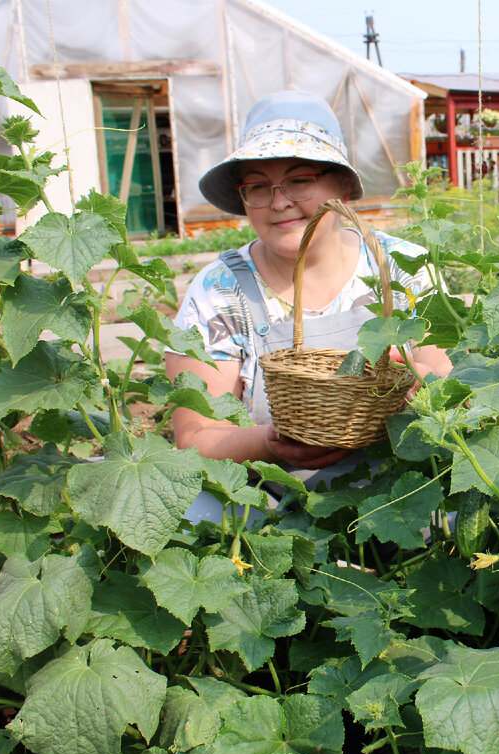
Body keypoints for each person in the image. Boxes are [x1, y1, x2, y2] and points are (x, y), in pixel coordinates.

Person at [165, 91, 451, 477]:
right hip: (268, 499)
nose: (279, 202)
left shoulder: (403, 268)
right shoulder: (219, 290)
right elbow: (197, 436)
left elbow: (447, 373)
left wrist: (420, 378)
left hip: (403, 490)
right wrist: (268, 443)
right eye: (258, 187)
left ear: (342, 188)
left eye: (299, 180)